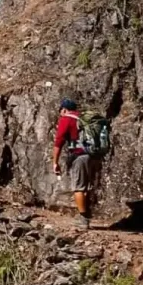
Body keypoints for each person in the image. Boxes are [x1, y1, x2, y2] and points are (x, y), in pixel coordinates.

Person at [53, 98, 99, 229]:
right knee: (86, 186)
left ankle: (83, 219)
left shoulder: (66, 119)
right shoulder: (86, 119)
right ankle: (86, 214)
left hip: (80, 156)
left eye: (61, 111)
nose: (60, 113)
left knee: (78, 187)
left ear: (64, 109)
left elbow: (58, 142)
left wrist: (55, 162)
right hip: (95, 155)